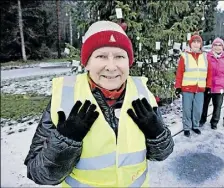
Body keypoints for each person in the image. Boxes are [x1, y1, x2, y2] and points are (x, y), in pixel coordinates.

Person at [24, 21, 174, 187]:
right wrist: (65, 142)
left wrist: (157, 134)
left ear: (128, 62)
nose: (111, 67)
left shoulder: (142, 94)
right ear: (87, 63)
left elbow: (162, 154)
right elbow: (38, 174)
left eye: (119, 56)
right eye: (101, 56)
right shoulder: (64, 97)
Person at [174, 33, 212, 137]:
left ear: (201, 44)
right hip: (187, 88)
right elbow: (179, 73)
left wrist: (208, 86)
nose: (196, 44)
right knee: (187, 109)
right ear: (190, 44)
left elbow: (209, 73)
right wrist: (178, 86)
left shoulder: (205, 57)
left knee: (198, 109)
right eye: (194, 42)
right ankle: (186, 127)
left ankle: (195, 126)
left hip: (200, 88)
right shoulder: (184, 56)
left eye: (198, 42)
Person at [199, 38, 224, 129]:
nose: (217, 47)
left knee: (217, 106)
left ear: (222, 47)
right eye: (215, 45)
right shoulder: (207, 57)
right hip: (207, 85)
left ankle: (214, 122)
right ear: (212, 46)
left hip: (220, 87)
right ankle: (202, 119)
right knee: (204, 105)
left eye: (219, 45)